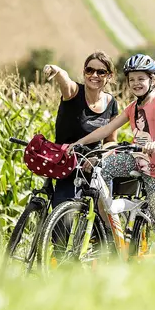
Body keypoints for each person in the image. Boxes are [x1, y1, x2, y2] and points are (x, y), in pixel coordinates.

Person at [71, 54, 155, 253]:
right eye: (132, 79)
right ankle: (111, 231)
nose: (136, 83)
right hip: (135, 160)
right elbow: (106, 129)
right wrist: (80, 142)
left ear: (152, 80)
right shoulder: (132, 108)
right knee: (99, 171)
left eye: (141, 78)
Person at [43, 51, 118, 208]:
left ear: (109, 76)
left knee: (102, 220)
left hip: (95, 167)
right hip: (67, 165)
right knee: (63, 223)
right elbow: (65, 81)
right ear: (84, 72)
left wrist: (99, 157)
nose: (94, 75)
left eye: (101, 72)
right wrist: (56, 70)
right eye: (89, 70)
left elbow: (111, 141)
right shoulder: (74, 92)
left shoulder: (111, 102)